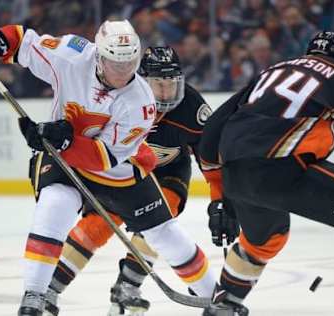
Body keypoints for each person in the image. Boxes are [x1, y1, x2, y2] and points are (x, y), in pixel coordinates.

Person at [0, 20, 217, 316]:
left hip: (117, 169)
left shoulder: (141, 100)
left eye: (130, 63)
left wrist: (61, 137)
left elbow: (103, 158)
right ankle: (36, 295)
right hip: (64, 157)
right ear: (98, 55)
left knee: (164, 232)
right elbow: (23, 42)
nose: (124, 73)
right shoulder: (71, 54)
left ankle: (217, 298)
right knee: (55, 206)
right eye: (116, 63)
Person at [199, 31, 334, 316]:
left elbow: (213, 128)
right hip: (281, 166)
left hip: (234, 169)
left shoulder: (273, 71)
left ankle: (223, 306)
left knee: (265, 239)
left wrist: (219, 195)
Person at [42, 46, 240, 316]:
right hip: (121, 171)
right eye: (158, 84)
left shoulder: (191, 107)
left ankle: (128, 286)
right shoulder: (119, 98)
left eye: (172, 83)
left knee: (162, 216)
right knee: (97, 226)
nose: (166, 93)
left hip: (168, 171)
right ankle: (48, 290)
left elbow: (210, 157)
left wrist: (220, 202)